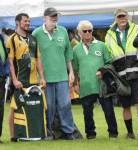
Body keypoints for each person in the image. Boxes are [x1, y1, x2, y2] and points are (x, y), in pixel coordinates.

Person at [105, 8, 138, 139]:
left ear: (128, 16)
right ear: (116, 19)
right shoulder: (109, 35)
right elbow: (109, 55)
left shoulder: (137, 28)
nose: (122, 19)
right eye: (119, 17)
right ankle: (130, 133)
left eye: (124, 16)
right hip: (121, 75)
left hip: (137, 72)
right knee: (125, 106)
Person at [32, 7, 75, 140]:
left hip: (62, 76)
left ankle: (68, 132)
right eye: (51, 17)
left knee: (65, 105)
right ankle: (48, 132)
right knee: (48, 106)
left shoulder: (63, 31)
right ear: (44, 18)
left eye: (56, 17)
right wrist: (38, 76)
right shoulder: (36, 33)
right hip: (44, 78)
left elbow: (68, 54)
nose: (54, 19)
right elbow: (33, 57)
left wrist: (71, 72)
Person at [73, 20, 118, 139]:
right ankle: (90, 134)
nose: (88, 33)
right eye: (85, 31)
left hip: (102, 84)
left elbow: (109, 63)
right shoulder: (76, 49)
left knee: (108, 110)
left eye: (90, 30)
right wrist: (75, 84)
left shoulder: (102, 45)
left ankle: (113, 133)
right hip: (85, 86)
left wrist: (102, 71)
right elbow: (75, 69)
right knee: (87, 112)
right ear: (79, 33)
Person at [6, 13, 46, 141]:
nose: (28, 23)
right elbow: (10, 62)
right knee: (14, 106)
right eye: (25, 21)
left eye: (29, 21)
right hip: (20, 80)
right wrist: (15, 80)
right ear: (17, 22)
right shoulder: (12, 39)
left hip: (34, 80)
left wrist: (42, 78)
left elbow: (38, 59)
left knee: (37, 105)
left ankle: (37, 133)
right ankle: (13, 136)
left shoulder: (33, 38)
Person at [0, 34, 9, 143]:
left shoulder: (1, 38)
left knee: (0, 108)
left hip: (2, 77)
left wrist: (6, 73)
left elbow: (5, 57)